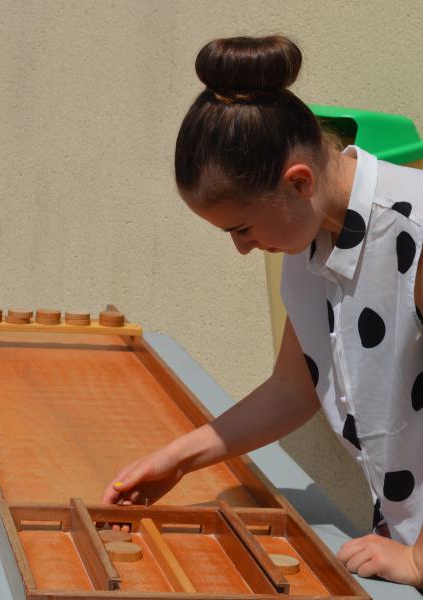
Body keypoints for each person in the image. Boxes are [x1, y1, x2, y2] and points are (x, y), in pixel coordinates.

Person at [102, 35, 423, 587]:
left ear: (298, 182)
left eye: (242, 228)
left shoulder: (413, 231)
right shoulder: (310, 234)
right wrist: (178, 459)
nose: (242, 248)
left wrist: (419, 561)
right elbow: (293, 388)